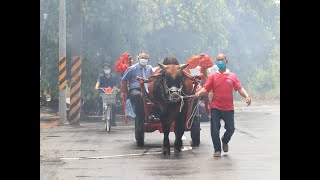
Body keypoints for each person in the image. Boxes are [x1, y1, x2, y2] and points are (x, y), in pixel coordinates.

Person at [195, 53, 251, 157]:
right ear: (216, 62)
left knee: (231, 129)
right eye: (218, 60)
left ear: (226, 61)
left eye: (222, 60)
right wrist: (198, 92)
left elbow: (239, 88)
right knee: (214, 129)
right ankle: (217, 150)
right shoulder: (213, 76)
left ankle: (225, 140)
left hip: (228, 108)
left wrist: (246, 96)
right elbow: (206, 88)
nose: (220, 62)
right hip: (216, 107)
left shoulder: (232, 76)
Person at [121, 51, 153, 122]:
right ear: (138, 59)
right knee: (140, 96)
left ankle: (153, 114)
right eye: (142, 58)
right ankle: (142, 116)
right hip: (135, 90)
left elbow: (152, 79)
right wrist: (127, 92)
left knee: (157, 96)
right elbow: (124, 80)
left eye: (145, 58)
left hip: (147, 89)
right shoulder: (132, 69)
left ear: (148, 60)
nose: (144, 59)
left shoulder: (150, 68)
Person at [95, 62, 119, 126]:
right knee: (100, 98)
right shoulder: (101, 76)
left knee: (113, 106)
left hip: (111, 92)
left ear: (110, 69)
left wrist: (115, 89)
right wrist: (97, 87)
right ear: (103, 69)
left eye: (107, 68)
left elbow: (116, 85)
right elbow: (98, 82)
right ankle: (100, 110)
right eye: (105, 68)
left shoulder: (114, 76)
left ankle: (113, 121)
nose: (106, 70)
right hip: (103, 92)